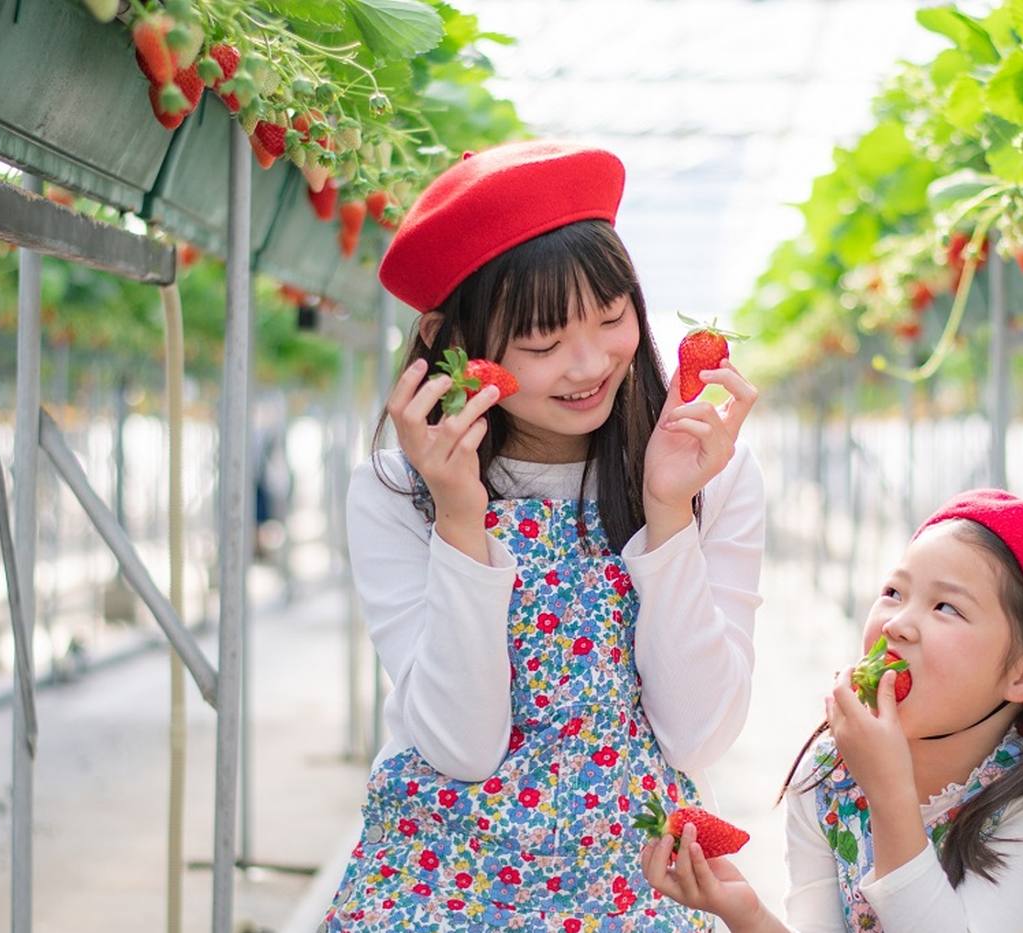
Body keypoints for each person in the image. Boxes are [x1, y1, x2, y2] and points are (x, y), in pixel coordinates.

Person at [323, 140, 765, 931]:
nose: (590, 362)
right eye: (543, 342)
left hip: (636, 878)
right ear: (448, 342)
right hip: (436, 878)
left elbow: (697, 734)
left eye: (610, 316)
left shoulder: (715, 474)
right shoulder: (395, 493)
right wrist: (460, 518)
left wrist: (667, 513)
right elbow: (462, 746)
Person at [642, 489, 1023, 932]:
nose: (898, 624)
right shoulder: (828, 777)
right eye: (893, 593)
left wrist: (889, 792)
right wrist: (746, 914)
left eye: (946, 607)